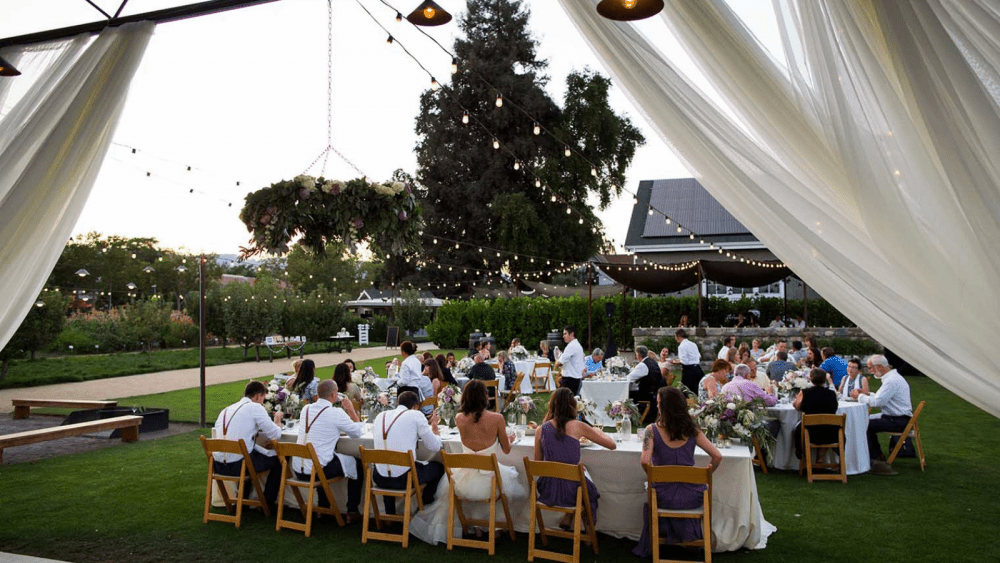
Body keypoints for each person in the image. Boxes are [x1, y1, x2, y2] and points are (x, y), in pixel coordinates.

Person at [410, 381, 527, 544]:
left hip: (463, 479)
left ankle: (477, 527)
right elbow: (506, 450)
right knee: (511, 486)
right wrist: (509, 440)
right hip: (490, 479)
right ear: (484, 397)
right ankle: (494, 527)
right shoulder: (497, 418)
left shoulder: (459, 418)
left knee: (476, 491)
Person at [632, 387, 722, 557]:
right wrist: (705, 476)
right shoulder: (692, 430)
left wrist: (653, 476)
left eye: (658, 403)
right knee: (681, 495)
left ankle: (666, 535)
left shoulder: (651, 430)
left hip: (663, 495)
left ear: (663, 407)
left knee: (653, 492)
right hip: (691, 496)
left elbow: (644, 460)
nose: (657, 406)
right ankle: (689, 538)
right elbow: (717, 456)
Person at [535, 389, 615, 529]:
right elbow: (611, 445)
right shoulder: (578, 426)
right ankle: (589, 530)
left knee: (580, 475)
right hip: (571, 491)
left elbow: (537, 464)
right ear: (573, 406)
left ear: (552, 406)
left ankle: (568, 516)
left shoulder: (540, 429)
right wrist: (600, 432)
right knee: (586, 487)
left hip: (547, 489)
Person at [293, 380, 364, 523]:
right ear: (333, 394)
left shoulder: (306, 409)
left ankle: (323, 507)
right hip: (316, 470)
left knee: (322, 457)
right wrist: (351, 410)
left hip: (298, 469)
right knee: (357, 464)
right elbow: (357, 433)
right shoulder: (335, 412)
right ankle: (352, 510)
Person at [212, 381, 284, 509]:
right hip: (238, 465)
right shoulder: (255, 407)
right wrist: (277, 422)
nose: (262, 402)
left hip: (218, 466)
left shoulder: (226, 409)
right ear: (257, 396)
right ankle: (267, 504)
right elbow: (275, 434)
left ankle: (242, 502)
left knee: (250, 455)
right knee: (278, 461)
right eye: (263, 398)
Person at [371, 391, 444, 515]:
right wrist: (435, 428)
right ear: (416, 406)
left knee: (387, 462)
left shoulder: (381, 416)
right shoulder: (415, 415)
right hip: (403, 479)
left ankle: (390, 514)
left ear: (398, 403)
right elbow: (435, 446)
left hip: (379, 477)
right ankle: (424, 509)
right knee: (438, 468)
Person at [852, 355, 913, 468]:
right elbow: (881, 398)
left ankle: (874, 457)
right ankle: (877, 454)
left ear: (879, 366)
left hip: (898, 420)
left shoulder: (891, 381)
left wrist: (859, 396)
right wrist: (867, 394)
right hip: (898, 418)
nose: (870, 371)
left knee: (864, 424)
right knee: (864, 420)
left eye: (870, 368)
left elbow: (877, 402)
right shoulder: (892, 378)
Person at [792, 368, 839, 460]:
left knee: (797, 428)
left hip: (810, 433)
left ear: (811, 379)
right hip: (831, 433)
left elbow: (797, 407)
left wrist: (796, 401)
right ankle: (820, 458)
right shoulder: (832, 394)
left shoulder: (805, 392)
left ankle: (805, 458)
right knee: (826, 425)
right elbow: (835, 408)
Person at [627, 346, 666, 424]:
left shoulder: (643, 365)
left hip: (647, 393)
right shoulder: (653, 362)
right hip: (655, 390)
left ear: (638, 355)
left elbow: (629, 378)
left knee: (628, 394)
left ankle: (631, 416)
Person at [397, 340, 435, 414]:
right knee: (414, 412)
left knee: (405, 413)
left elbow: (405, 380)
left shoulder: (405, 363)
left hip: (406, 391)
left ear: (404, 352)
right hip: (415, 390)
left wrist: (397, 382)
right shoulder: (417, 361)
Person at [554, 326, 585, 395]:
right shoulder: (577, 345)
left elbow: (560, 363)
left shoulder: (571, 346)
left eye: (565, 334)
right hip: (576, 377)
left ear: (571, 334)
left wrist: (556, 362)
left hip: (570, 379)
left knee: (567, 402)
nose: (563, 336)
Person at [671, 329, 703, 393]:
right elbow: (699, 356)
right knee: (698, 390)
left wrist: (674, 362)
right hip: (698, 369)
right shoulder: (693, 344)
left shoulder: (681, 346)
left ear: (678, 336)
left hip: (689, 371)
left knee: (686, 392)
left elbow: (684, 361)